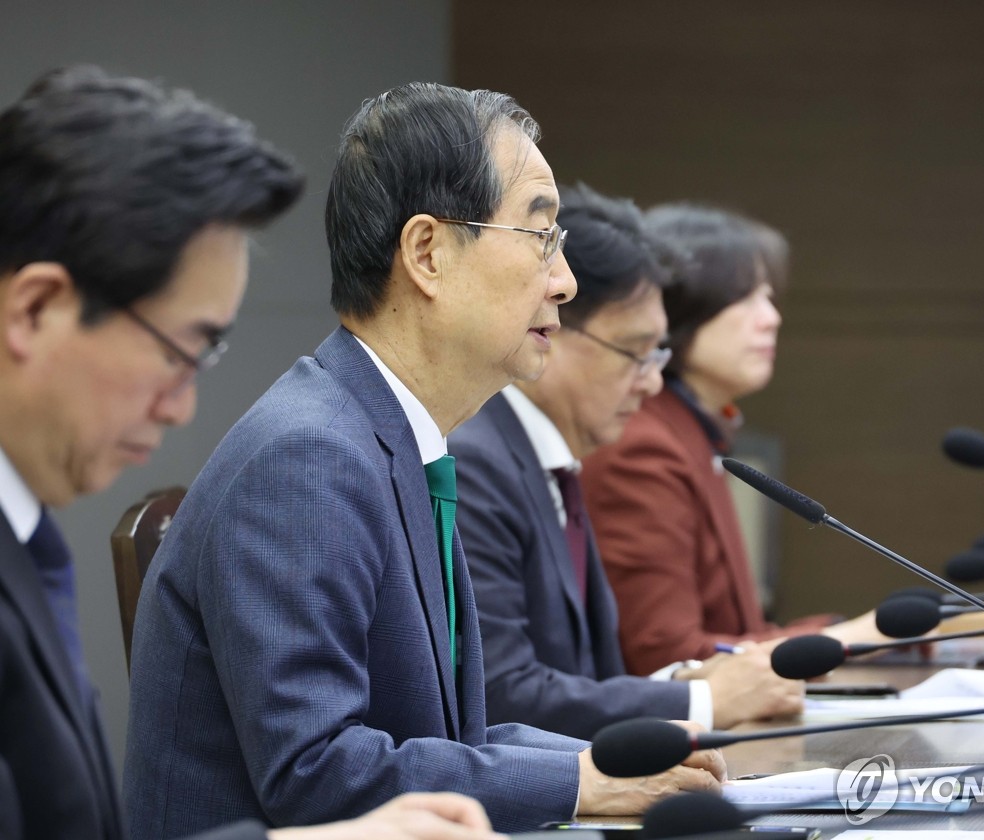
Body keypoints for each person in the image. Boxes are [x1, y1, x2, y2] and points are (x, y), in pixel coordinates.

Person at [124, 83, 724, 839]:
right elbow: (317, 772)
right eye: (541, 236)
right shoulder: (308, 459)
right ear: (428, 253)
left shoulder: (387, 436)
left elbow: (452, 743)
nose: (564, 280)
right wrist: (578, 783)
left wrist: (610, 770)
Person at [0, 65, 506, 840]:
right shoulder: (308, 450)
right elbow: (316, 765)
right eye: (179, 350)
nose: (183, 406)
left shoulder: (27, 537)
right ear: (34, 310)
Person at [448, 183, 805, 740]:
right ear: (552, 329)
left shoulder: (554, 459)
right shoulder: (479, 462)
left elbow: (588, 675)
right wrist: (702, 699)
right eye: (635, 353)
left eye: (658, 353)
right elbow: (501, 694)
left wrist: (686, 680)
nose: (653, 381)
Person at [581, 204, 878, 675]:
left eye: (770, 297)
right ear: (680, 308)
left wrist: (855, 635)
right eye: (747, 298)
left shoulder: (693, 430)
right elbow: (667, 656)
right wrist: (855, 637)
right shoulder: (642, 445)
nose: (771, 318)